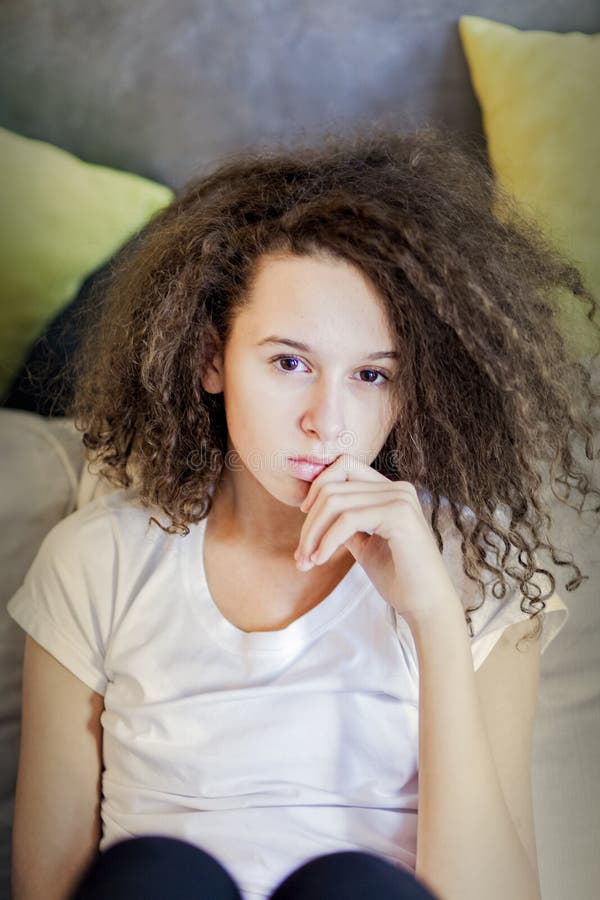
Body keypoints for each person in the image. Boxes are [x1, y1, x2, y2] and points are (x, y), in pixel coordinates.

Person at [7, 123, 600, 900]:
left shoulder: (477, 570)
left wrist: (433, 620)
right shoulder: (96, 561)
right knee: (160, 874)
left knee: (353, 888)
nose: (329, 419)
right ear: (210, 357)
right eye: (290, 363)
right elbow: (49, 888)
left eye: (371, 375)